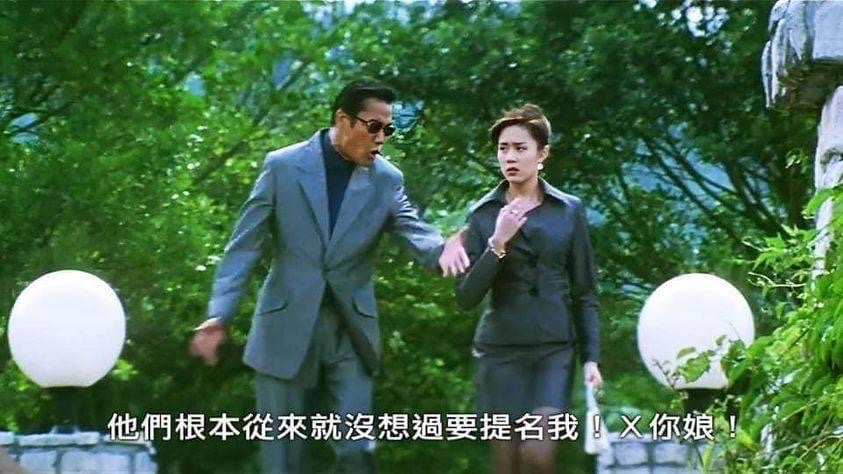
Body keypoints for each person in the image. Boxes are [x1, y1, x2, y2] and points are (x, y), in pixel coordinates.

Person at [190, 78, 468, 474]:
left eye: (388, 129)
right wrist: (220, 314)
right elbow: (245, 245)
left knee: (357, 450)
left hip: (349, 329)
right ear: (343, 119)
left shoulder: (387, 179)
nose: (381, 138)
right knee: (281, 459)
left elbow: (415, 231)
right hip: (284, 324)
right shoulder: (283, 166)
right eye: (374, 126)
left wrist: (445, 250)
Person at [456, 104, 603, 474]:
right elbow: (467, 296)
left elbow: (585, 290)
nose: (510, 157)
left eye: (520, 148)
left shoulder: (568, 210)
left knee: (537, 455)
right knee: (507, 464)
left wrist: (591, 358)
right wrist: (497, 243)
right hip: (500, 351)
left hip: (554, 348)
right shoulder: (483, 214)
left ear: (542, 154)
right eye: (503, 149)